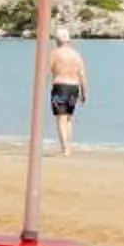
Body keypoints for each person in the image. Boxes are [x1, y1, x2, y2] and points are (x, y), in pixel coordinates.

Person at [47, 28, 89, 157]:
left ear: (57, 40)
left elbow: (47, 71)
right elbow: (82, 74)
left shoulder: (55, 53)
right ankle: (68, 147)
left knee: (61, 118)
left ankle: (65, 149)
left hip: (60, 86)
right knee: (69, 118)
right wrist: (84, 92)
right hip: (74, 88)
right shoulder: (76, 55)